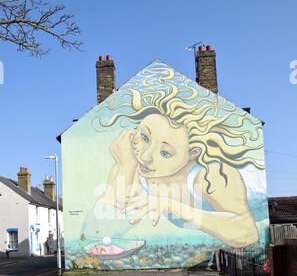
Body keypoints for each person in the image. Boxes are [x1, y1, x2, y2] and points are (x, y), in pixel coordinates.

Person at [89, 62, 265, 249]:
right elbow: (96, 232)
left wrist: (170, 205)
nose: (146, 156)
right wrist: (125, 169)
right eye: (144, 137)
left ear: (192, 153)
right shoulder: (133, 164)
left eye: (165, 152)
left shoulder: (214, 174)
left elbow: (247, 234)